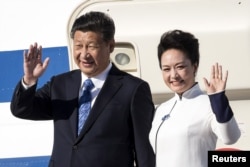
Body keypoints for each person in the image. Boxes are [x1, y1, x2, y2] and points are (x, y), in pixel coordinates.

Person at [10, 11, 155, 167]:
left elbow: (144, 151)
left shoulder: (132, 89)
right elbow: (21, 110)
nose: (84, 54)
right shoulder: (60, 84)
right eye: (78, 46)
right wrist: (29, 81)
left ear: (110, 46)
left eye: (92, 46)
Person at [149, 30, 241, 167]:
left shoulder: (209, 104)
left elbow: (231, 137)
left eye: (180, 67)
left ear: (194, 66)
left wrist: (218, 99)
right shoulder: (161, 109)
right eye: (166, 69)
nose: (173, 75)